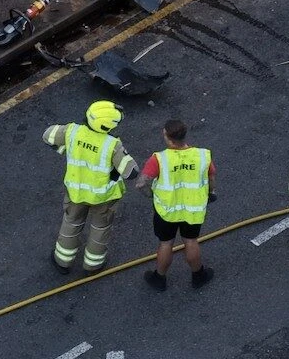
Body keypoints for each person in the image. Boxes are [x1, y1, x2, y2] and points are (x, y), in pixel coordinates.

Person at [42, 100, 138, 274]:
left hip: (75, 192)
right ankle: (93, 264)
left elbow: (47, 136)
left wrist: (65, 151)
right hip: (104, 197)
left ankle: (62, 261)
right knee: (100, 229)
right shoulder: (112, 145)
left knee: (71, 223)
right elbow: (131, 172)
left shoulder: (72, 131)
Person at [136, 119, 213, 290]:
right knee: (191, 241)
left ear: (166, 136)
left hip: (166, 211)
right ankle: (198, 276)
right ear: (184, 136)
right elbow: (211, 179)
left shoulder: (159, 159)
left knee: (166, 244)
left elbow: (141, 184)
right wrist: (210, 193)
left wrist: (152, 195)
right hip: (192, 211)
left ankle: (159, 278)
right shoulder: (202, 156)